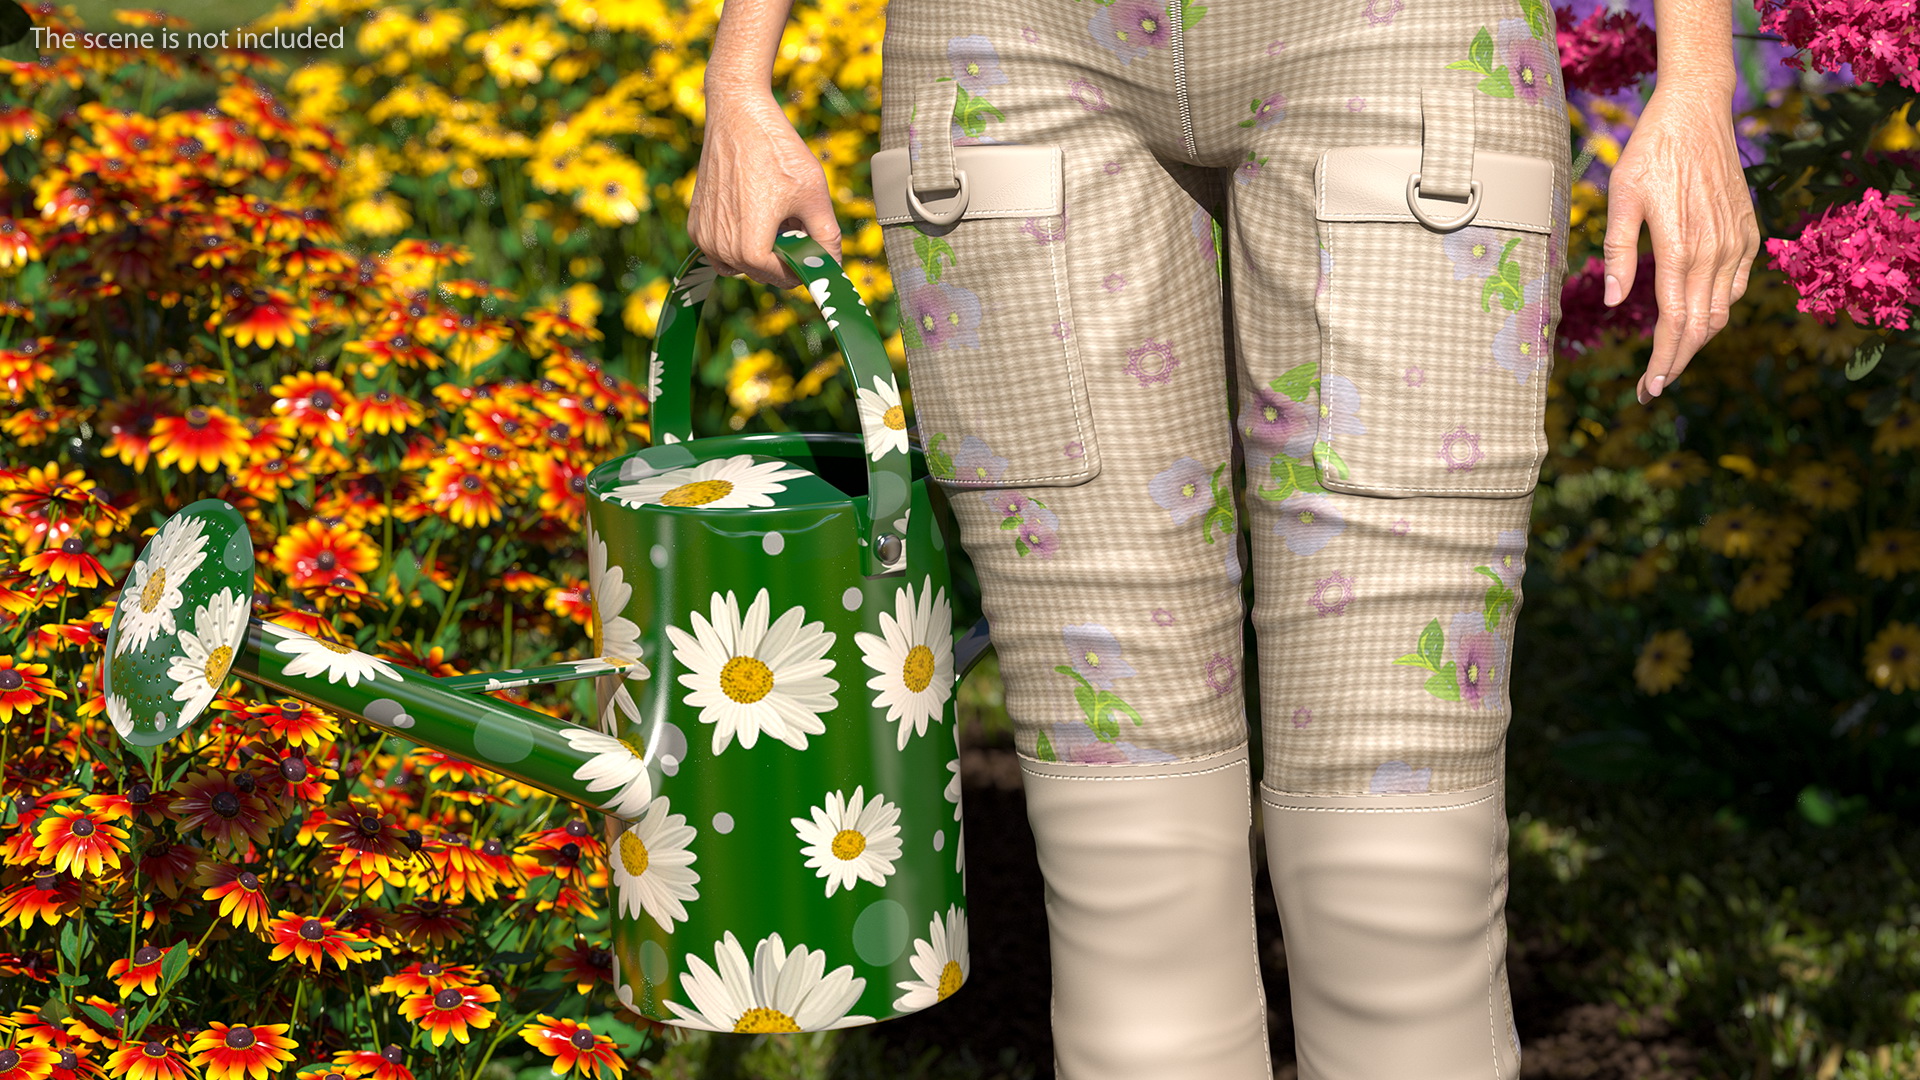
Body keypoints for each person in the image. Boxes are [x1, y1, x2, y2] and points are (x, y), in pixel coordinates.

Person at [690, 0, 1757, 1076]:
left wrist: (1698, 81)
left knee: (1400, 884)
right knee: (1125, 888)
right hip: (1008, 48)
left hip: (1395, 40)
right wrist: (737, 74)